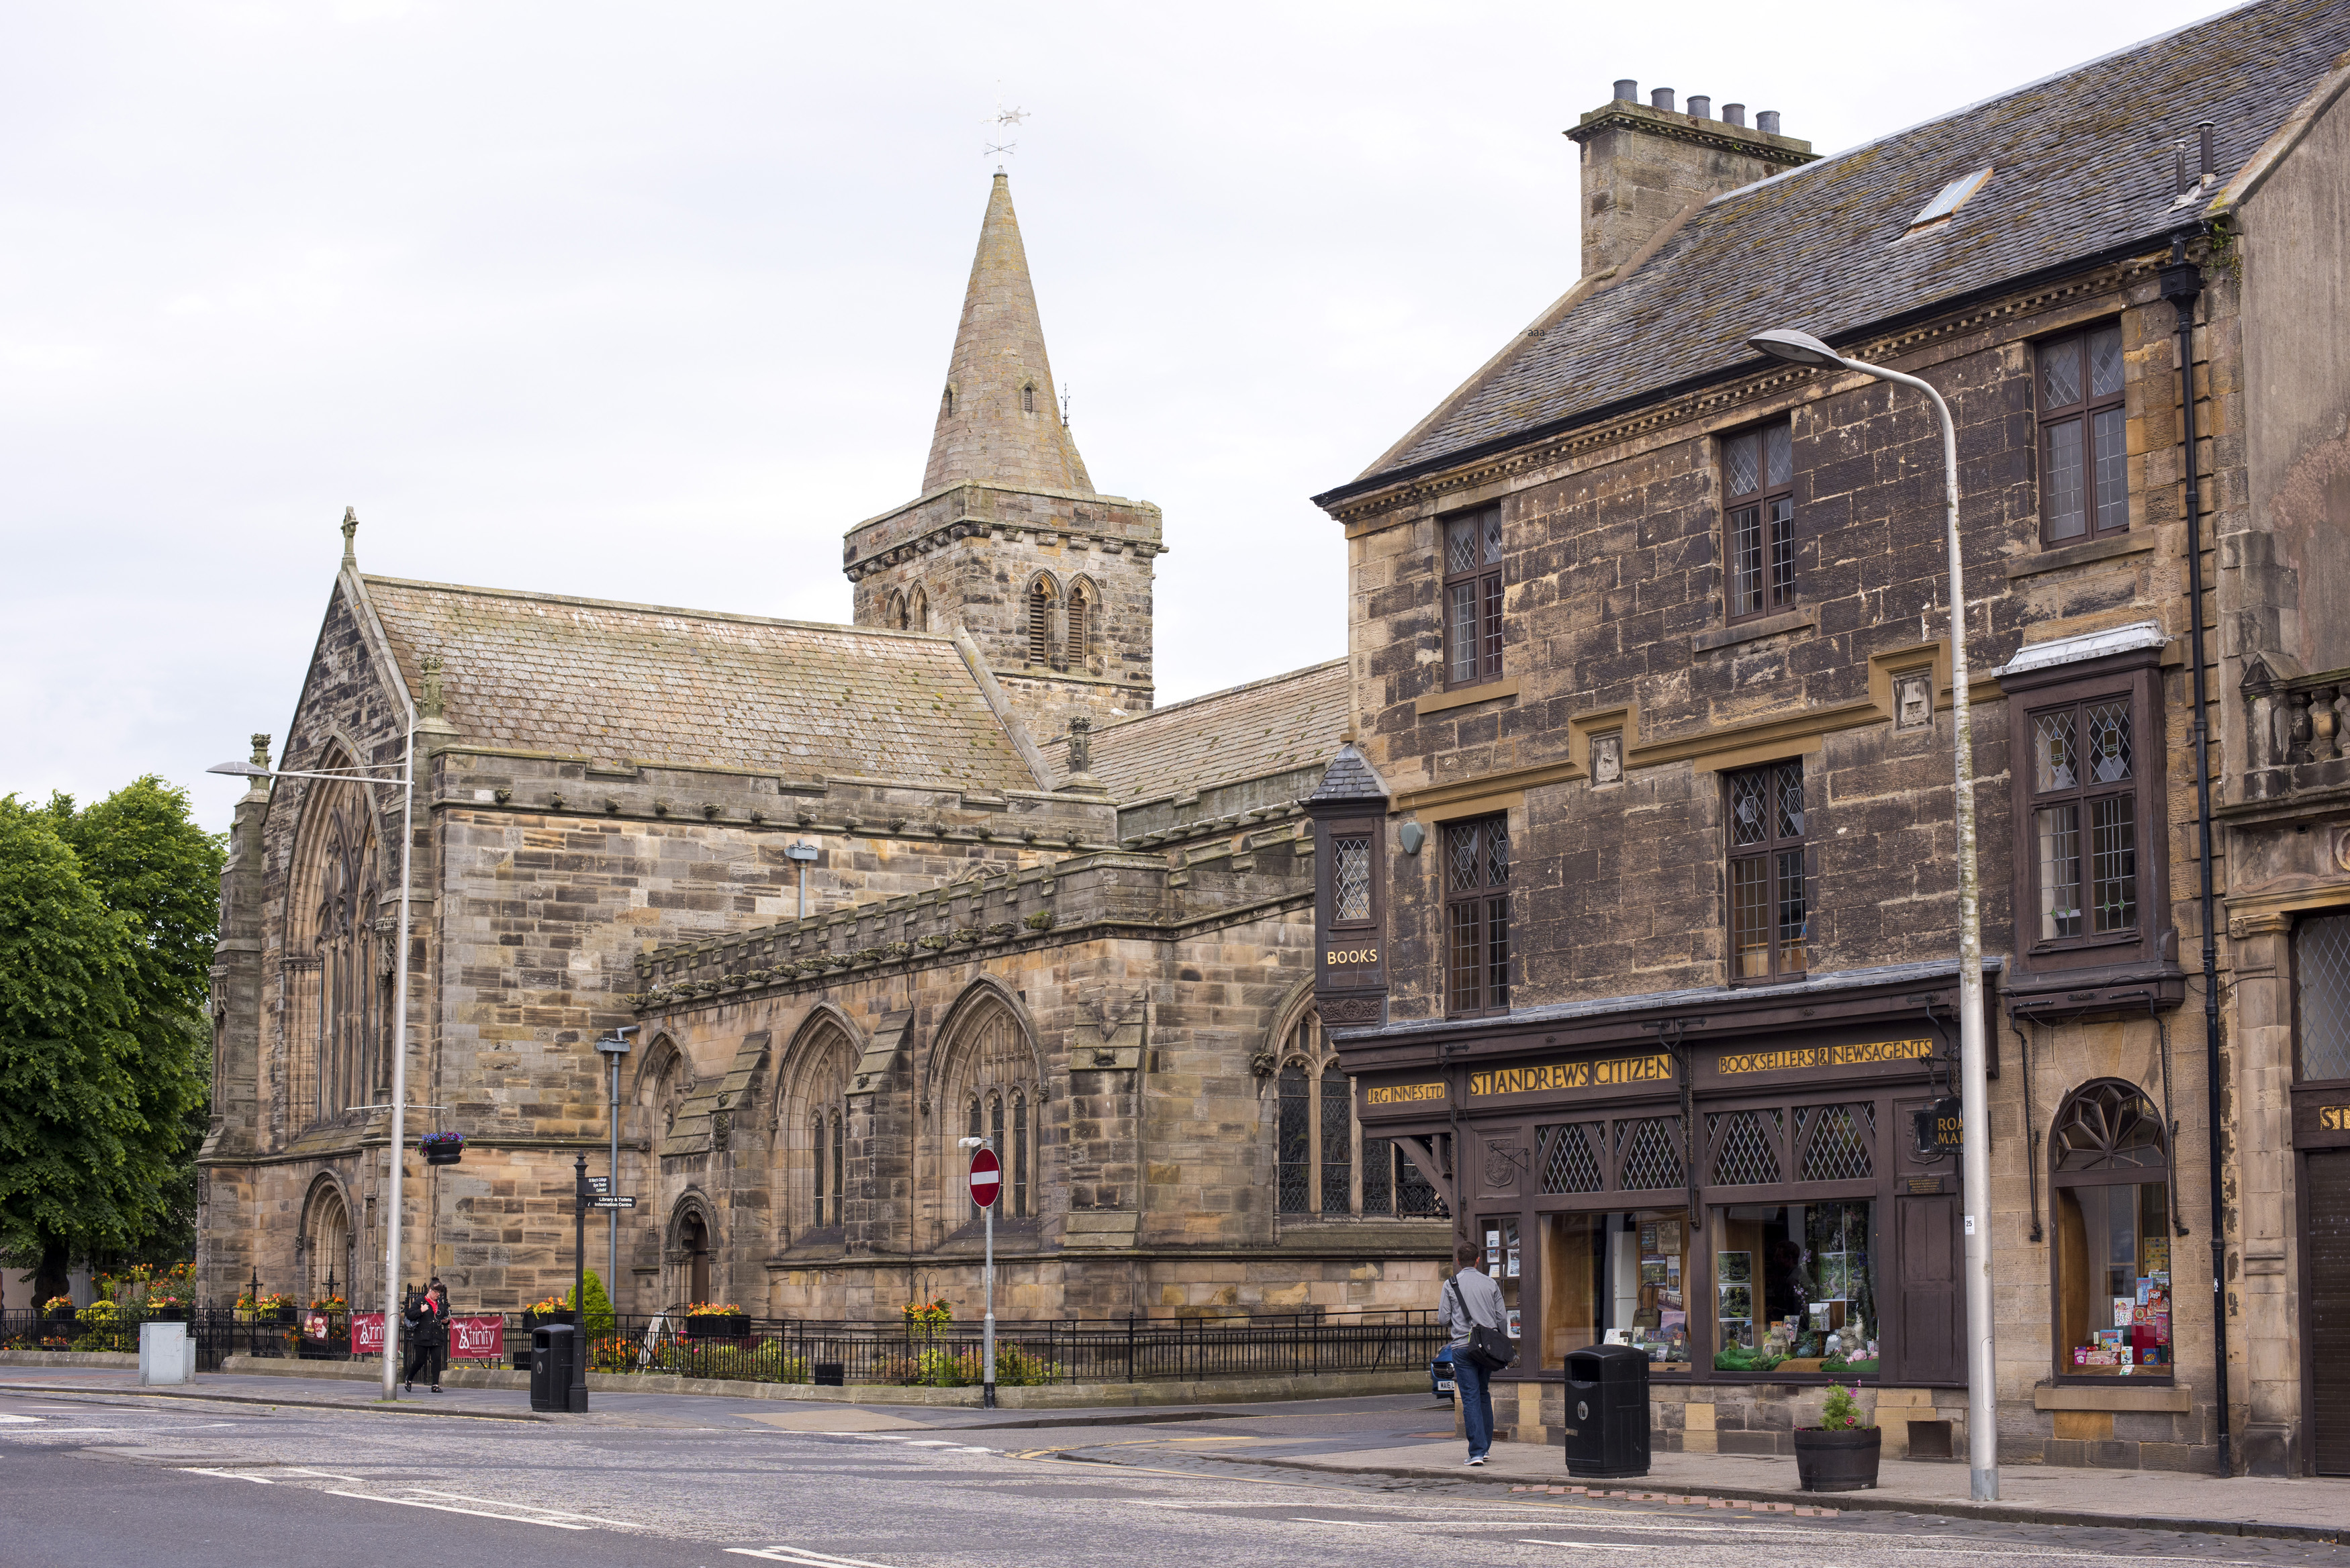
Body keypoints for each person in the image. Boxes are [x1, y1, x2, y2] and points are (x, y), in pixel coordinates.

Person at [1438, 1240, 1508, 1466]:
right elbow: (1501, 1318)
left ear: (1458, 1262)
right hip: (1486, 1349)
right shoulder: (1490, 1284)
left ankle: (1476, 1452)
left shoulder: (1451, 1284)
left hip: (1462, 1347)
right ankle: (1485, 1448)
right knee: (1483, 1394)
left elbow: (1443, 1319)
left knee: (1470, 1397)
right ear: (1478, 1260)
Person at [402, 1282, 445, 1393]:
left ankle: (435, 1384)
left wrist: (446, 1321)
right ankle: (409, 1378)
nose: (438, 1295)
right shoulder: (420, 1301)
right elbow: (409, 1315)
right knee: (420, 1360)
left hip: (436, 1336)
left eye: (439, 1293)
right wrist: (421, 1311)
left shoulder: (440, 1303)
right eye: (436, 1292)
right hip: (422, 1336)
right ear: (430, 1290)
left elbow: (444, 1317)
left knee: (437, 1360)